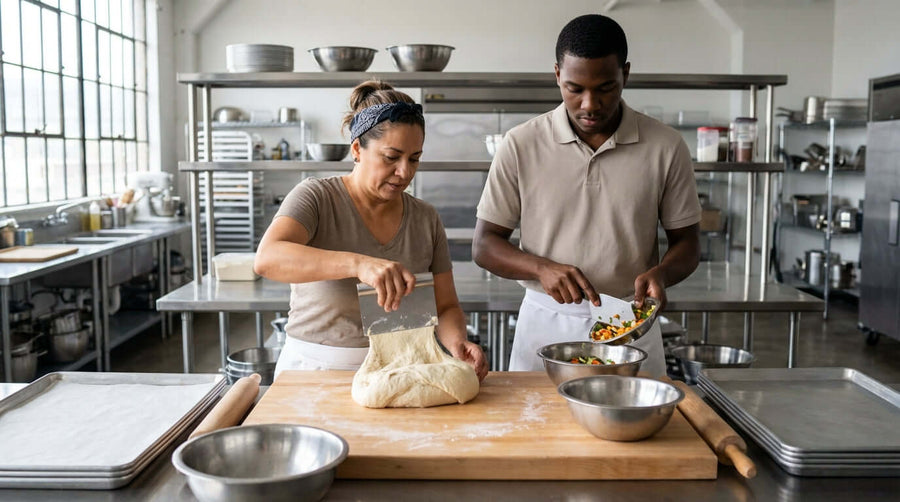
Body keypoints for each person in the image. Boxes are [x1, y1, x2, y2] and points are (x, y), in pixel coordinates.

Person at [472, 14, 701, 375]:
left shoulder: (666, 146)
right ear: (557, 76)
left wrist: (663, 274)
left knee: (635, 429)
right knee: (539, 429)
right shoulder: (521, 144)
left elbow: (688, 243)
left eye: (606, 87)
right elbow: (484, 246)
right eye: (574, 88)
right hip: (546, 322)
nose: (589, 104)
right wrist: (541, 268)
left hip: (629, 324)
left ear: (625, 74)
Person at [255, 80, 488, 381]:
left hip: (402, 369)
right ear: (357, 149)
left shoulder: (425, 218)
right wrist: (359, 264)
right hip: (316, 370)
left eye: (414, 159)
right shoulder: (316, 197)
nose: (405, 172)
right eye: (391, 157)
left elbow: (445, 306)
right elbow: (268, 258)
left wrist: (457, 342)